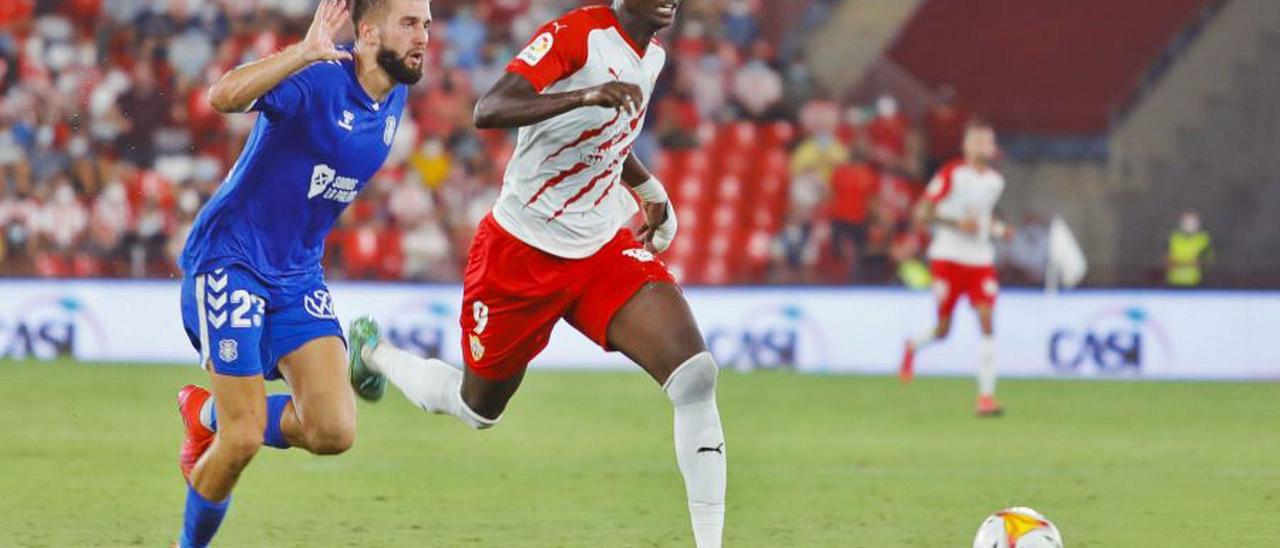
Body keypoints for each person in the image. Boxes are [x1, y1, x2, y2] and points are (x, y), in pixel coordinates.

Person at [346, 1, 727, 546]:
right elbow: (491, 106)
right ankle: (373, 353)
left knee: (695, 376)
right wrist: (585, 94)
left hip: (599, 247)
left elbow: (609, 140)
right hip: (520, 252)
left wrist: (649, 191)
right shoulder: (576, 35)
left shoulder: (653, 58)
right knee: (478, 410)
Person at [172, 1, 428, 546]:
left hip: (296, 275)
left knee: (334, 430)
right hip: (231, 260)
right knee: (240, 440)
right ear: (365, 33)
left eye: (426, 24)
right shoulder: (317, 80)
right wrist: (303, 52)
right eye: (409, 23)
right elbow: (221, 97)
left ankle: (206, 412)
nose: (423, 36)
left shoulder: (396, 92)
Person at [898, 121, 1009, 417]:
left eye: (990, 141)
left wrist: (998, 229)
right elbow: (922, 212)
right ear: (967, 146)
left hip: (980, 259)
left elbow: (982, 218)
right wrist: (955, 224)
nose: (987, 146)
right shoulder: (951, 174)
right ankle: (912, 345)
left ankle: (986, 397)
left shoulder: (996, 182)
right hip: (947, 257)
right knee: (944, 329)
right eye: (982, 141)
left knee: (987, 318)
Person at [1165, 209, 1211, 287]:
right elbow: (1166, 259)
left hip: (1196, 282)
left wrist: (1181, 263)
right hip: (1174, 281)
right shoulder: (1174, 237)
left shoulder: (1204, 239)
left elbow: (1205, 261)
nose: (1189, 225)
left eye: (1192, 222)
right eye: (1187, 222)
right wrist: (1188, 263)